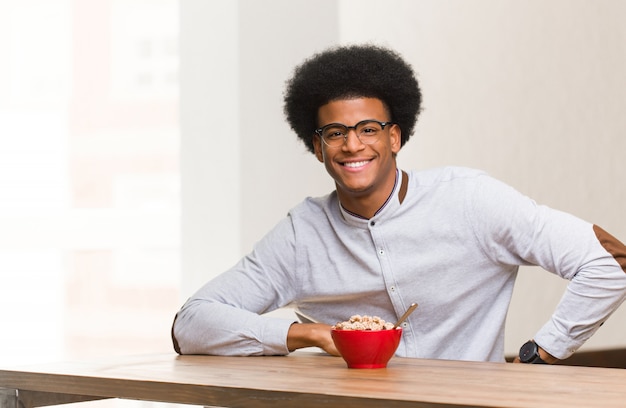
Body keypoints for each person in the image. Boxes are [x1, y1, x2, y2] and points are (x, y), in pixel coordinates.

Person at [171, 44, 626, 363]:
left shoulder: (469, 200)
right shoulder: (301, 233)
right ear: (317, 147)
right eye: (335, 133)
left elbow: (609, 262)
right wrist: (312, 335)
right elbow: (191, 323)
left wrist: (541, 354)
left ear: (395, 136)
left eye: (368, 129)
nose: (352, 145)